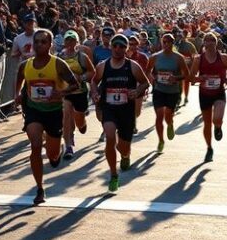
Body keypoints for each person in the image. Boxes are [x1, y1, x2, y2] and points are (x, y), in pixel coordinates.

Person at [14, 29, 81, 205]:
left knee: (52, 154)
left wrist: (61, 93)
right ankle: (40, 188)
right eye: (36, 41)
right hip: (33, 110)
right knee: (35, 145)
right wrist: (18, 95)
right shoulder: (25, 65)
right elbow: (20, 78)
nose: (39, 45)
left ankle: (55, 152)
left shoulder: (58, 64)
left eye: (43, 42)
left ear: (50, 45)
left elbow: (75, 84)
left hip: (53, 112)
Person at [90, 34, 150, 192]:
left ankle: (125, 155)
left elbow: (145, 83)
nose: (118, 49)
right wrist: (94, 93)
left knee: (123, 147)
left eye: (122, 46)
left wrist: (137, 91)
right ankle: (113, 174)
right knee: (109, 137)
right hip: (109, 108)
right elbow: (94, 81)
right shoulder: (103, 66)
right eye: (115, 45)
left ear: (126, 48)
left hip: (126, 111)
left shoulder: (133, 66)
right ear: (111, 46)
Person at [190, 31, 227, 162]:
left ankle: (218, 127)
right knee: (207, 124)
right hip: (204, 94)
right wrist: (200, 78)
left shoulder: (224, 57)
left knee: (217, 119)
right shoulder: (199, 59)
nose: (210, 42)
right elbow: (191, 77)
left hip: (219, 92)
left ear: (216, 43)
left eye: (212, 40)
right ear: (204, 42)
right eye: (207, 40)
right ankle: (209, 148)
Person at [147, 33, 189, 153]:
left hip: (173, 91)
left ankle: (170, 124)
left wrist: (176, 78)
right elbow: (148, 71)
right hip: (159, 90)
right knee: (159, 116)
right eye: (164, 42)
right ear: (161, 42)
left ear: (172, 43)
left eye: (169, 42)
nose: (166, 44)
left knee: (168, 115)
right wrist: (152, 79)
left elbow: (187, 74)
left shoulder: (178, 57)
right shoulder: (155, 57)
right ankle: (161, 140)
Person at [57, 30, 95, 160]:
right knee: (66, 114)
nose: (70, 42)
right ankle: (68, 146)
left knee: (79, 121)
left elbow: (92, 72)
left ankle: (82, 124)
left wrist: (81, 77)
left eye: (72, 40)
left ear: (76, 42)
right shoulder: (59, 57)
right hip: (66, 93)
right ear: (64, 41)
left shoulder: (82, 57)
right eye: (67, 40)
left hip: (80, 92)